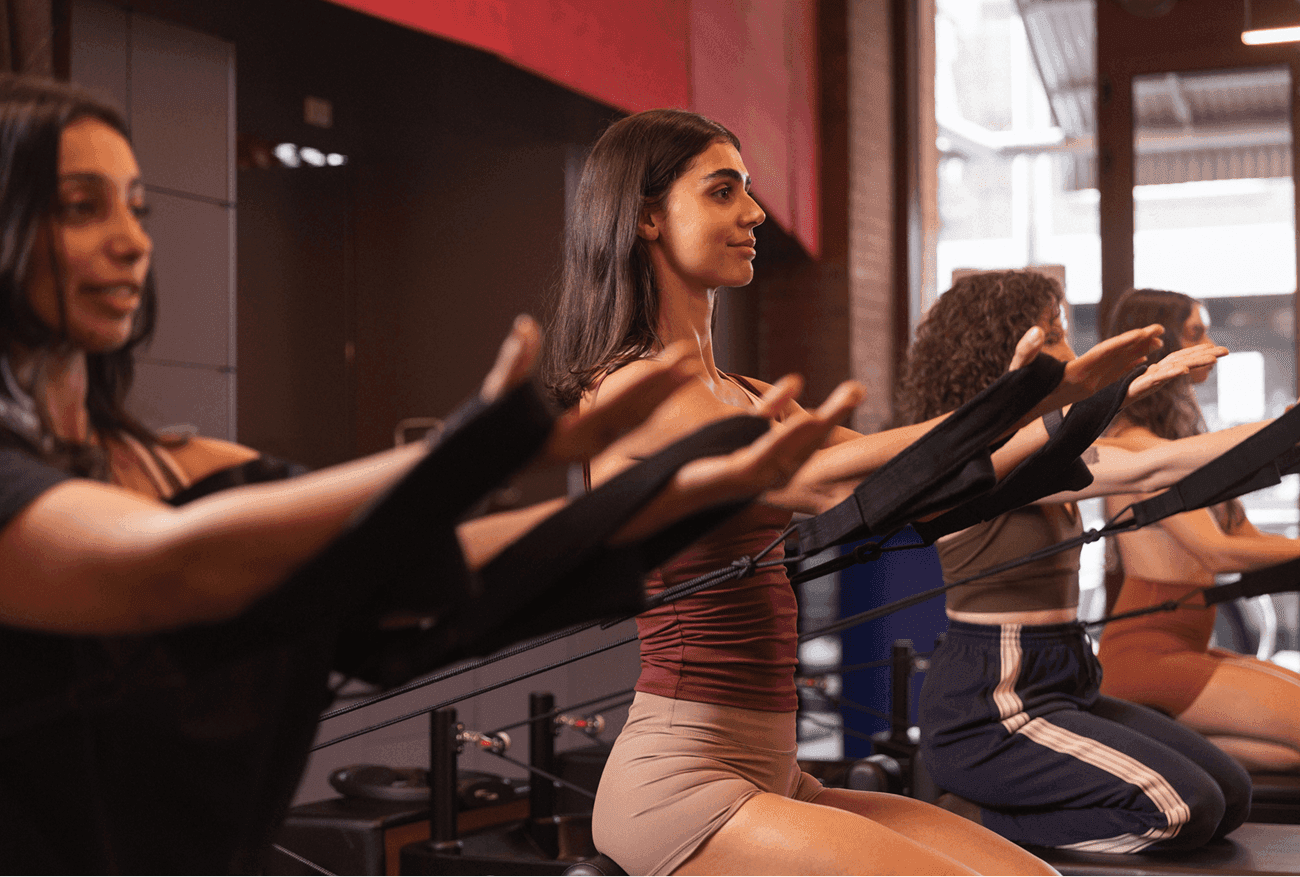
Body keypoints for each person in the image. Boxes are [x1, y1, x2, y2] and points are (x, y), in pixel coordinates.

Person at [0, 74, 860, 875]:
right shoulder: (5, 479)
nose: (132, 240)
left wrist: (664, 504)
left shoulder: (167, 460)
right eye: (78, 206)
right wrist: (460, 455)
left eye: (137, 207)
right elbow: (168, 565)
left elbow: (405, 569)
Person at [541, 108, 1211, 876]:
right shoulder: (635, 390)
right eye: (723, 192)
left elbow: (910, 482)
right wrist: (1024, 397)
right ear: (647, 217)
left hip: (775, 772)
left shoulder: (744, 392)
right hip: (682, 786)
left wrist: (1072, 408)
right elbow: (826, 478)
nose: (755, 212)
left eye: (749, 190)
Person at [903, 269, 1256, 854]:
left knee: (1231, 796)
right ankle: (967, 821)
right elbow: (1145, 468)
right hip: (992, 705)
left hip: (1065, 678)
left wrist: (1280, 430)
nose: (1071, 350)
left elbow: (1169, 461)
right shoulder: (975, 462)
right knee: (1182, 809)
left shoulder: (1054, 453)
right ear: (1008, 351)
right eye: (1056, 334)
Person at [1098, 287, 1300, 773]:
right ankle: (1146, 736)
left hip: (1185, 642)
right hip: (1145, 651)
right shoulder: (1136, 448)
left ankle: (1158, 741)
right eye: (1196, 333)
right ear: (1159, 348)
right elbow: (1216, 553)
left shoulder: (1183, 439)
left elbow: (1245, 536)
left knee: (1290, 753)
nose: (1213, 344)